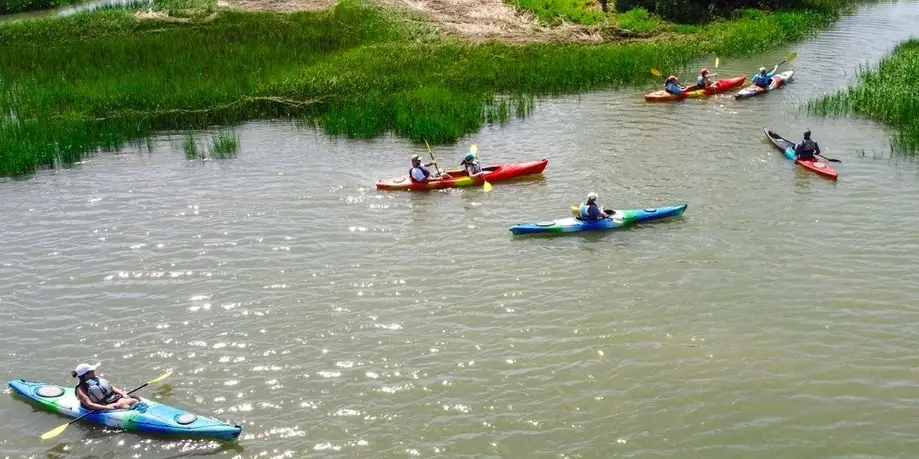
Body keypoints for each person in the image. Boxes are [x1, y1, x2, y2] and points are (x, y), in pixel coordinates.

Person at [72, 363, 139, 410]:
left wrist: (123, 394)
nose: (94, 371)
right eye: (92, 371)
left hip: (112, 400)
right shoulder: (81, 390)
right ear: (86, 375)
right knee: (123, 405)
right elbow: (90, 405)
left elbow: (111, 388)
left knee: (134, 401)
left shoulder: (92, 381)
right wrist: (106, 407)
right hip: (102, 406)